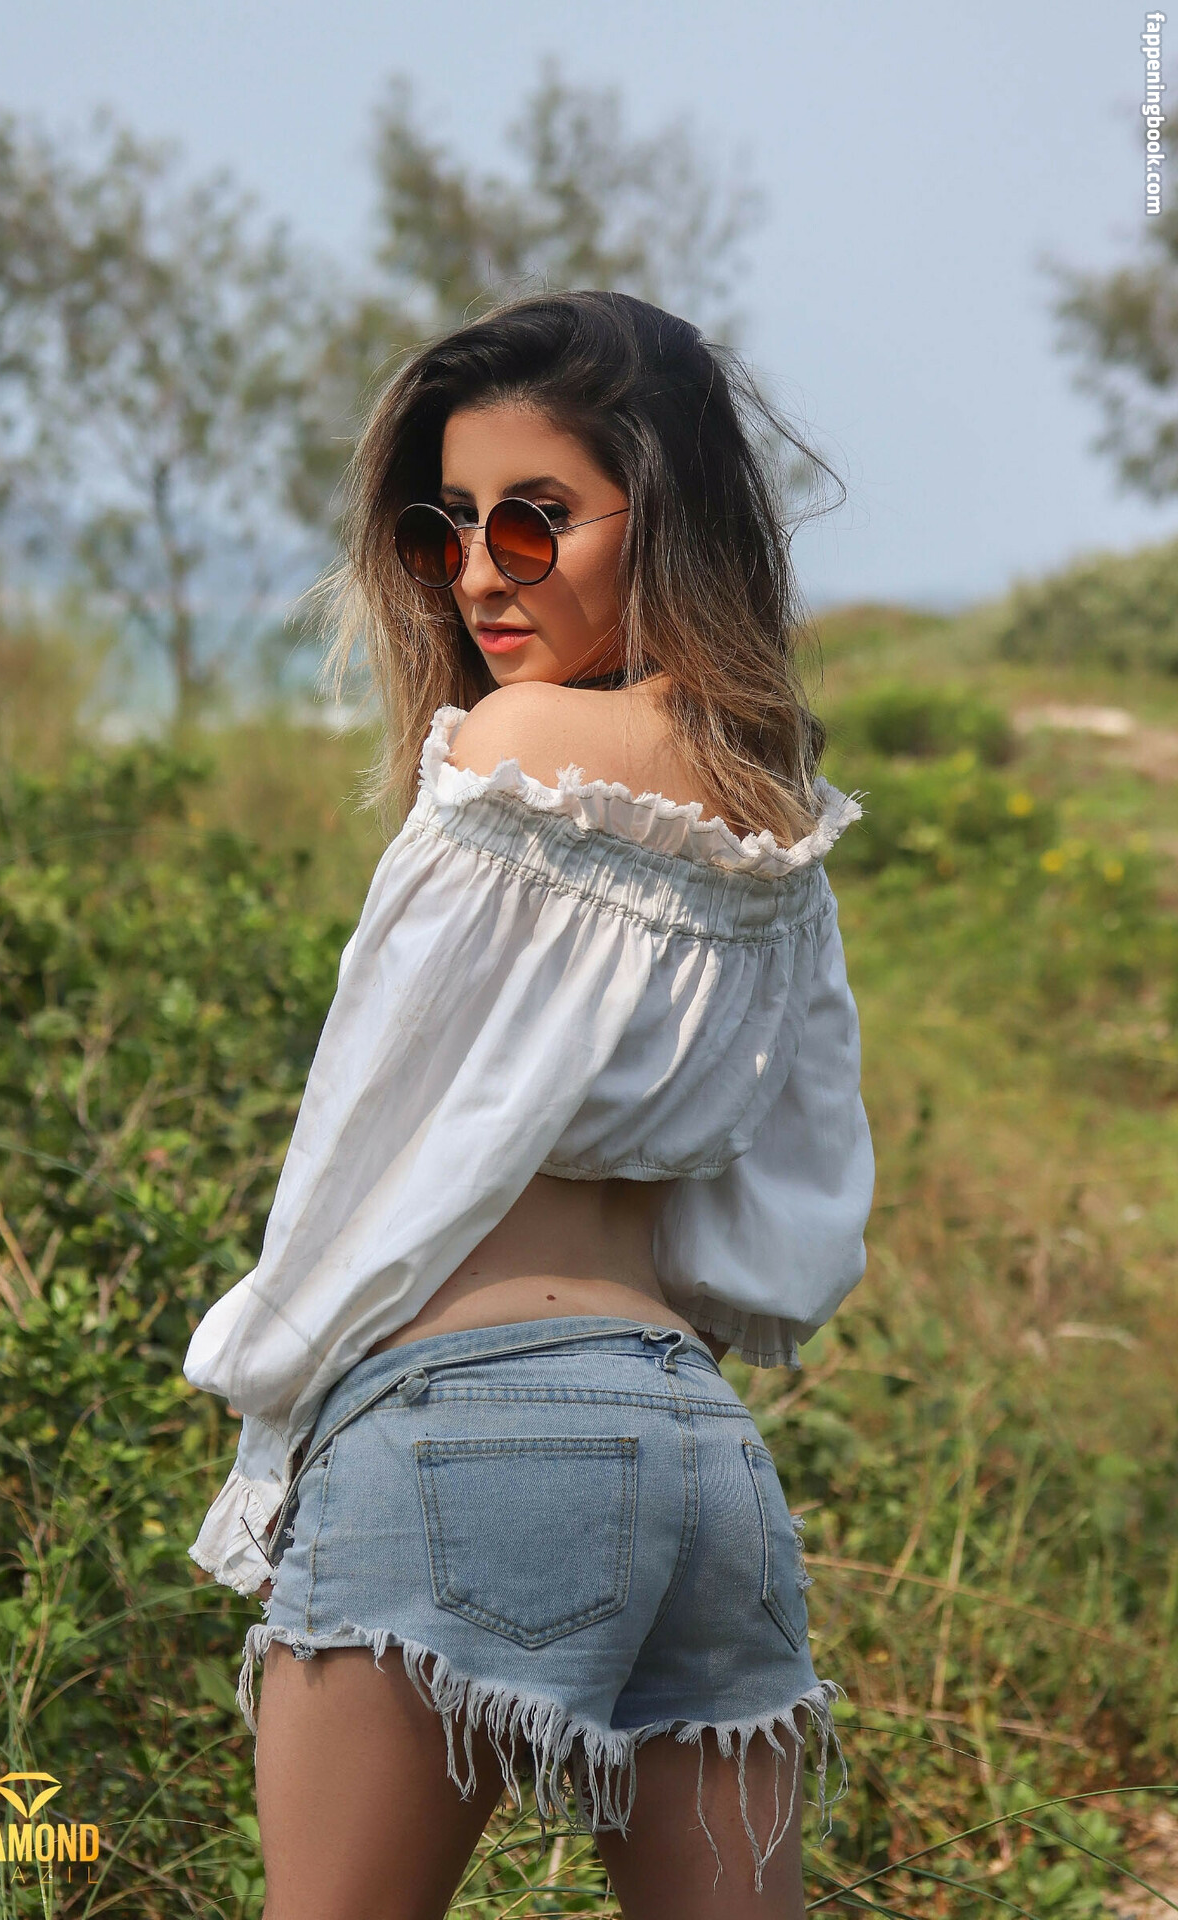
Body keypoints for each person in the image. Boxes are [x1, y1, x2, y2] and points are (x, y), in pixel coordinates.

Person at [181, 288, 875, 1920]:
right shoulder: (776, 804)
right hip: (700, 1452)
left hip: (454, 1427)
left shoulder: (514, 747)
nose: (479, 573)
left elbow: (365, 1138)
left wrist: (268, 1394)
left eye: (533, 519)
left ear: (663, 514)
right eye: (447, 527)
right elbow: (790, 1207)